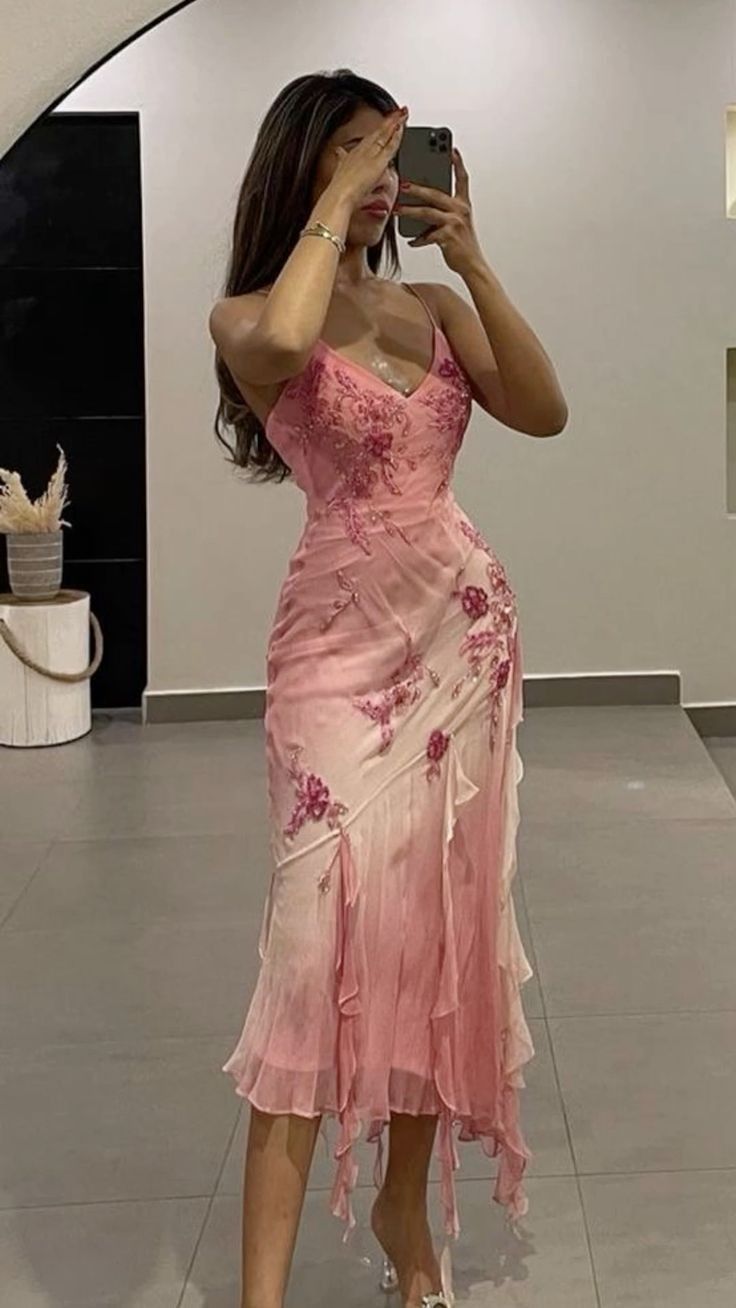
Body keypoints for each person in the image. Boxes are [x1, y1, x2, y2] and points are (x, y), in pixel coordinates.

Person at [209, 69, 568, 1308]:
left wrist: (471, 260)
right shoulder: (250, 314)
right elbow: (278, 347)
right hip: (335, 658)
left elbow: (544, 412)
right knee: (308, 957)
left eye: (392, 152)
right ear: (304, 163)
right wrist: (336, 209)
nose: (379, 172)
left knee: (432, 941)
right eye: (354, 150)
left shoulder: (432, 306)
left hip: (461, 647)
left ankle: (408, 1218)